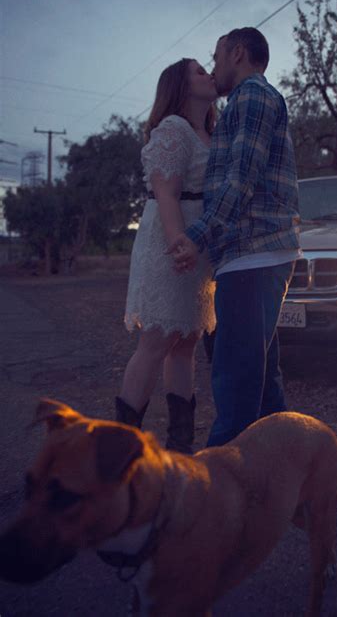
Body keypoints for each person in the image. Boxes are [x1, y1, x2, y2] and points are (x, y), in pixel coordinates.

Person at [168, 27, 301, 447]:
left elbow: (241, 180)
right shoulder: (247, 102)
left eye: (218, 55)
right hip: (252, 255)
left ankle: (210, 493)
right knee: (260, 382)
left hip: (253, 254)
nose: (214, 66)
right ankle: (283, 480)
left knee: (235, 380)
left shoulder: (252, 96)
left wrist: (196, 236)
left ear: (238, 53)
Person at [117, 58, 217, 454]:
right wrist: (179, 241)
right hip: (171, 241)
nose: (209, 74)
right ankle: (121, 451)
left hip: (198, 247)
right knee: (156, 341)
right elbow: (166, 192)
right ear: (179, 86)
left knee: (186, 341)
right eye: (198, 71)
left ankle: (180, 448)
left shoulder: (209, 132)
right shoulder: (173, 129)